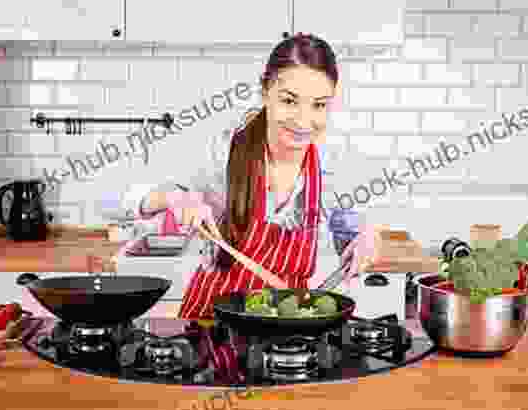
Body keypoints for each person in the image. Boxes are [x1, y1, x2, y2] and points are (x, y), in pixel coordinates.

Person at [122, 33, 375, 320]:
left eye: (318, 105)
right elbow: (130, 200)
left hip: (287, 327)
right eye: (290, 101)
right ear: (266, 91)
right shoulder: (224, 148)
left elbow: (350, 233)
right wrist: (175, 197)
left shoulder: (332, 164)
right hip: (213, 323)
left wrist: (362, 242)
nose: (304, 120)